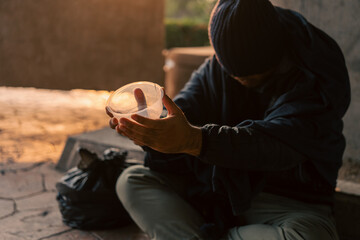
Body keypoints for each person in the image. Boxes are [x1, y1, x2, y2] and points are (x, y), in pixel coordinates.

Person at [106, 0, 351, 239]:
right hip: (216, 188)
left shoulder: (317, 79)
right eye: (230, 72)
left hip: (285, 202)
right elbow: (186, 109)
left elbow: (274, 146)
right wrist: (153, 130)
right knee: (131, 181)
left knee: (309, 235)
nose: (237, 80)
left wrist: (194, 140)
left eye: (250, 77)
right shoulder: (218, 66)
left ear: (274, 58)